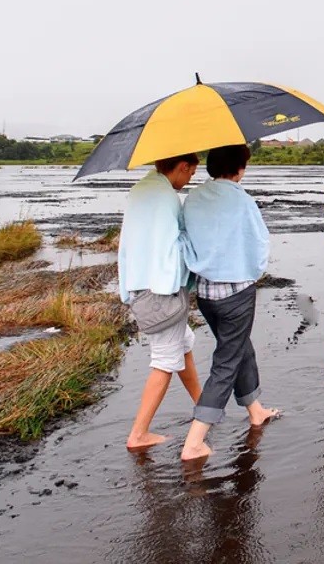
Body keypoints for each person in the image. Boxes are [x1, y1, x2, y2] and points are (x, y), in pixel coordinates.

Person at [180, 145, 280, 462]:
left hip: (205, 294)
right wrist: (252, 272)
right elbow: (260, 243)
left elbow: (185, 237)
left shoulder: (193, 198)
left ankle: (255, 409)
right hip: (236, 293)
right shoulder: (242, 200)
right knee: (226, 361)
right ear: (238, 169)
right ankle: (195, 441)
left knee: (237, 347)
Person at [117, 153, 203, 450]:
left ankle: (203, 406)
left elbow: (131, 243)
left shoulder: (140, 190)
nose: (190, 179)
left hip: (139, 284)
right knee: (165, 360)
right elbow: (173, 248)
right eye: (191, 173)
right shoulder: (167, 198)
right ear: (183, 166)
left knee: (183, 343)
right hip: (161, 290)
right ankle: (139, 434)